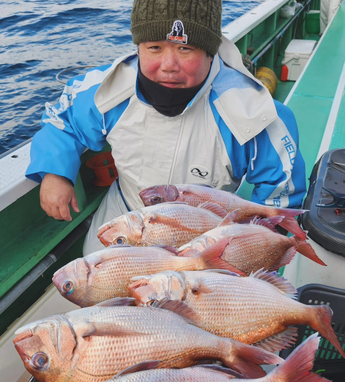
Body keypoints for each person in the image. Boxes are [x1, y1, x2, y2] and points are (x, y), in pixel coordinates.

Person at [25, 0, 307, 255]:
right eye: (154, 47)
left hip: (207, 236)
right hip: (124, 217)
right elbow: (62, 122)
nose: (168, 65)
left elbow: (280, 193)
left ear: (210, 52)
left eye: (185, 48)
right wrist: (55, 173)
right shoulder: (105, 92)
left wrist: (252, 243)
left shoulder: (254, 113)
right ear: (138, 47)